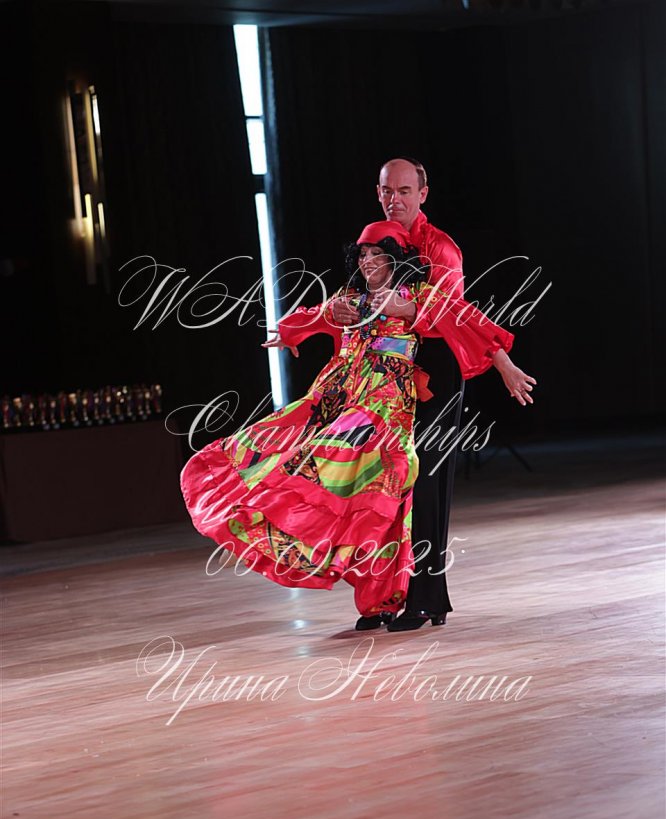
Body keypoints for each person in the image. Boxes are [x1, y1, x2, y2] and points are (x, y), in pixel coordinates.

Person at [180, 220, 514, 622]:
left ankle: (387, 596)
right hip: (336, 396)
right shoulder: (347, 298)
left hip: (383, 404)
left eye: (378, 254)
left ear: (396, 259)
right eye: (363, 254)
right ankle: (368, 597)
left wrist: (507, 367)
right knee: (302, 465)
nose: (368, 261)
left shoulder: (417, 295)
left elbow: (469, 322)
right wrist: (288, 331)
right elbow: (313, 316)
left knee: (373, 494)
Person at [331, 158, 536, 631]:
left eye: (404, 191)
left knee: (426, 481)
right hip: (384, 379)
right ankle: (385, 597)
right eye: (388, 191)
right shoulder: (376, 241)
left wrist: (502, 361)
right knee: (382, 484)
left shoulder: (439, 247)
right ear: (378, 192)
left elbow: (455, 314)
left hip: (436, 372)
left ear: (423, 194)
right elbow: (351, 299)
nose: (395, 199)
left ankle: (427, 599)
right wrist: (334, 312)